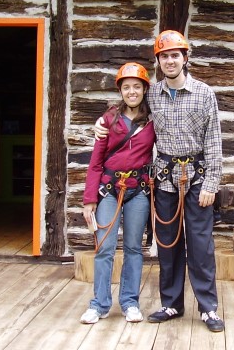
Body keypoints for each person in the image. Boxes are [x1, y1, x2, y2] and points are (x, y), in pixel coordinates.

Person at [95, 30, 224, 332]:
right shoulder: (152, 94)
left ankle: (208, 308)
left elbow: (215, 140)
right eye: (164, 56)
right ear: (158, 61)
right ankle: (171, 303)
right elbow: (125, 108)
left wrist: (211, 184)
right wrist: (99, 122)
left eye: (174, 55)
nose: (169, 60)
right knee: (168, 244)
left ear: (185, 58)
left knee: (201, 245)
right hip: (164, 178)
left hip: (196, 178)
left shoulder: (205, 93)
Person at [80, 62, 155, 325]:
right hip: (109, 191)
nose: (132, 92)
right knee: (105, 247)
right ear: (120, 90)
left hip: (138, 191)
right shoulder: (108, 120)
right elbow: (95, 163)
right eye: (126, 87)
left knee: (135, 248)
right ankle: (99, 304)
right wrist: (90, 200)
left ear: (144, 89)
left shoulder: (153, 120)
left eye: (137, 86)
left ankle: (130, 302)